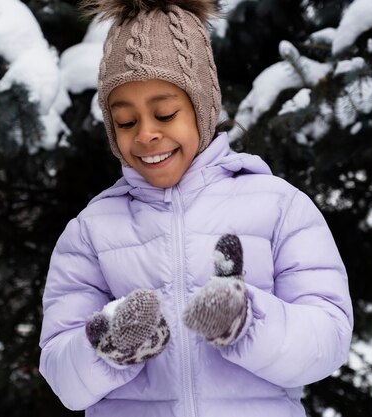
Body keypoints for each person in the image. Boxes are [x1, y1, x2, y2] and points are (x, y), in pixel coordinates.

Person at [39, 0, 354, 415]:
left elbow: (327, 341)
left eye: (165, 113)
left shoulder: (280, 207)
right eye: (126, 122)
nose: (147, 134)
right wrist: (106, 347)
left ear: (202, 108)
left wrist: (248, 322)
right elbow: (64, 379)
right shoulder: (91, 232)